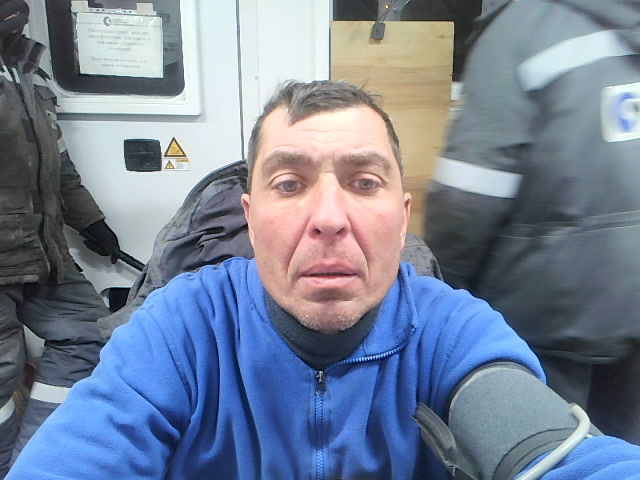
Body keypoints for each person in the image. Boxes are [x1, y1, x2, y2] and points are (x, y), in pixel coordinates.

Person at [7, 79, 640, 480]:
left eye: (364, 182)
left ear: (402, 218)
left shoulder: (451, 331)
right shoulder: (181, 330)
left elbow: (560, 453)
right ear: (251, 219)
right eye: (289, 184)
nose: (330, 218)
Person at [424, 0, 640, 444]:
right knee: (619, 454)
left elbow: (468, 194)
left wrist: (438, 294)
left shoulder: (522, 28)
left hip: (543, 315)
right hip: (629, 303)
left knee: (537, 451)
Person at [0, 0, 121, 476]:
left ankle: (34, 459)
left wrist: (89, 222)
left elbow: (59, 164)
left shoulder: (29, 71)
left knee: (93, 333)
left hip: (44, 252)